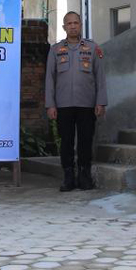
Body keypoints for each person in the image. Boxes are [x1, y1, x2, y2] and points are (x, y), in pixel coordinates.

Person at [44, 11, 107, 192]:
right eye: (69, 23)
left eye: (76, 23)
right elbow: (49, 79)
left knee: (85, 141)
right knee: (66, 142)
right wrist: (50, 104)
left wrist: (101, 102)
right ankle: (68, 176)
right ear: (64, 27)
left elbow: (100, 77)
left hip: (87, 103)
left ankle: (84, 175)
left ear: (80, 25)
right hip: (63, 104)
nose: (72, 26)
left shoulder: (92, 48)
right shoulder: (55, 50)